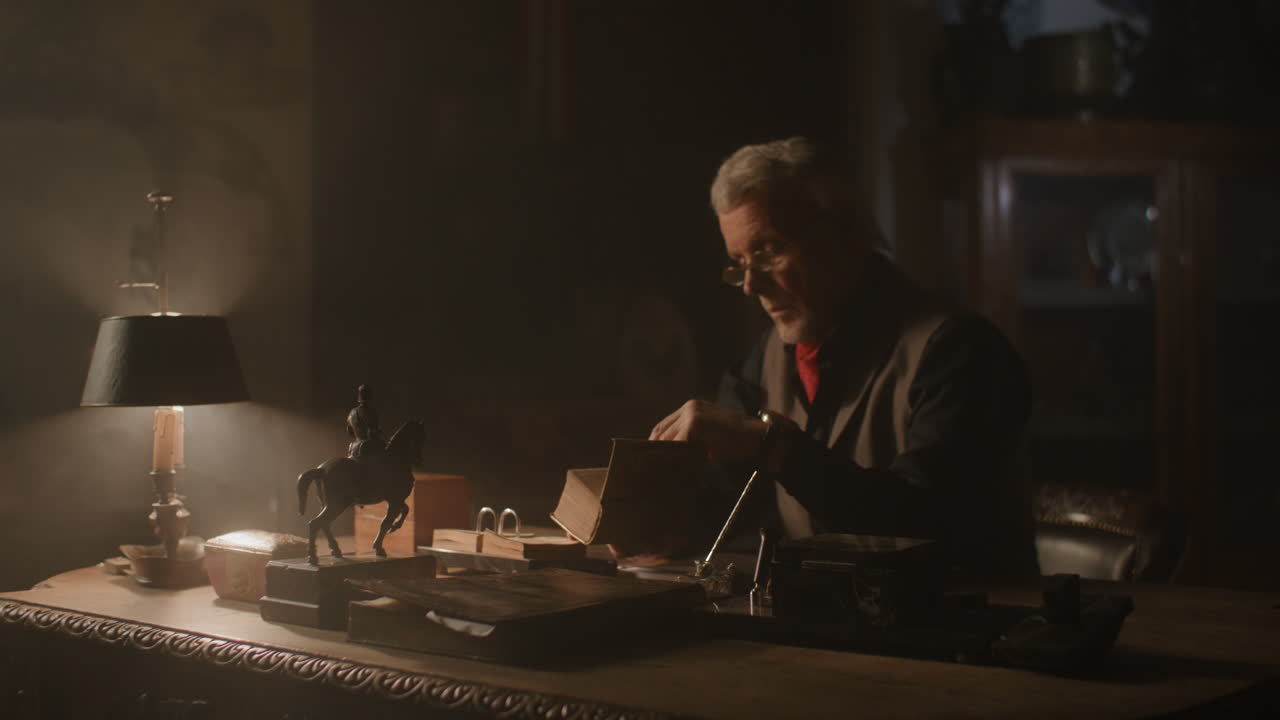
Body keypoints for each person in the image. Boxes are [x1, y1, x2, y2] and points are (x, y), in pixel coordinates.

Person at [649, 137, 1038, 582]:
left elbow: (919, 522)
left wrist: (773, 446)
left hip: (965, 632)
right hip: (836, 632)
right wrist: (662, 527)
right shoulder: (766, 359)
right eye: (739, 262)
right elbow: (729, 499)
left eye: (769, 251)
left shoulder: (959, 352)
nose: (751, 286)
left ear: (846, 234)